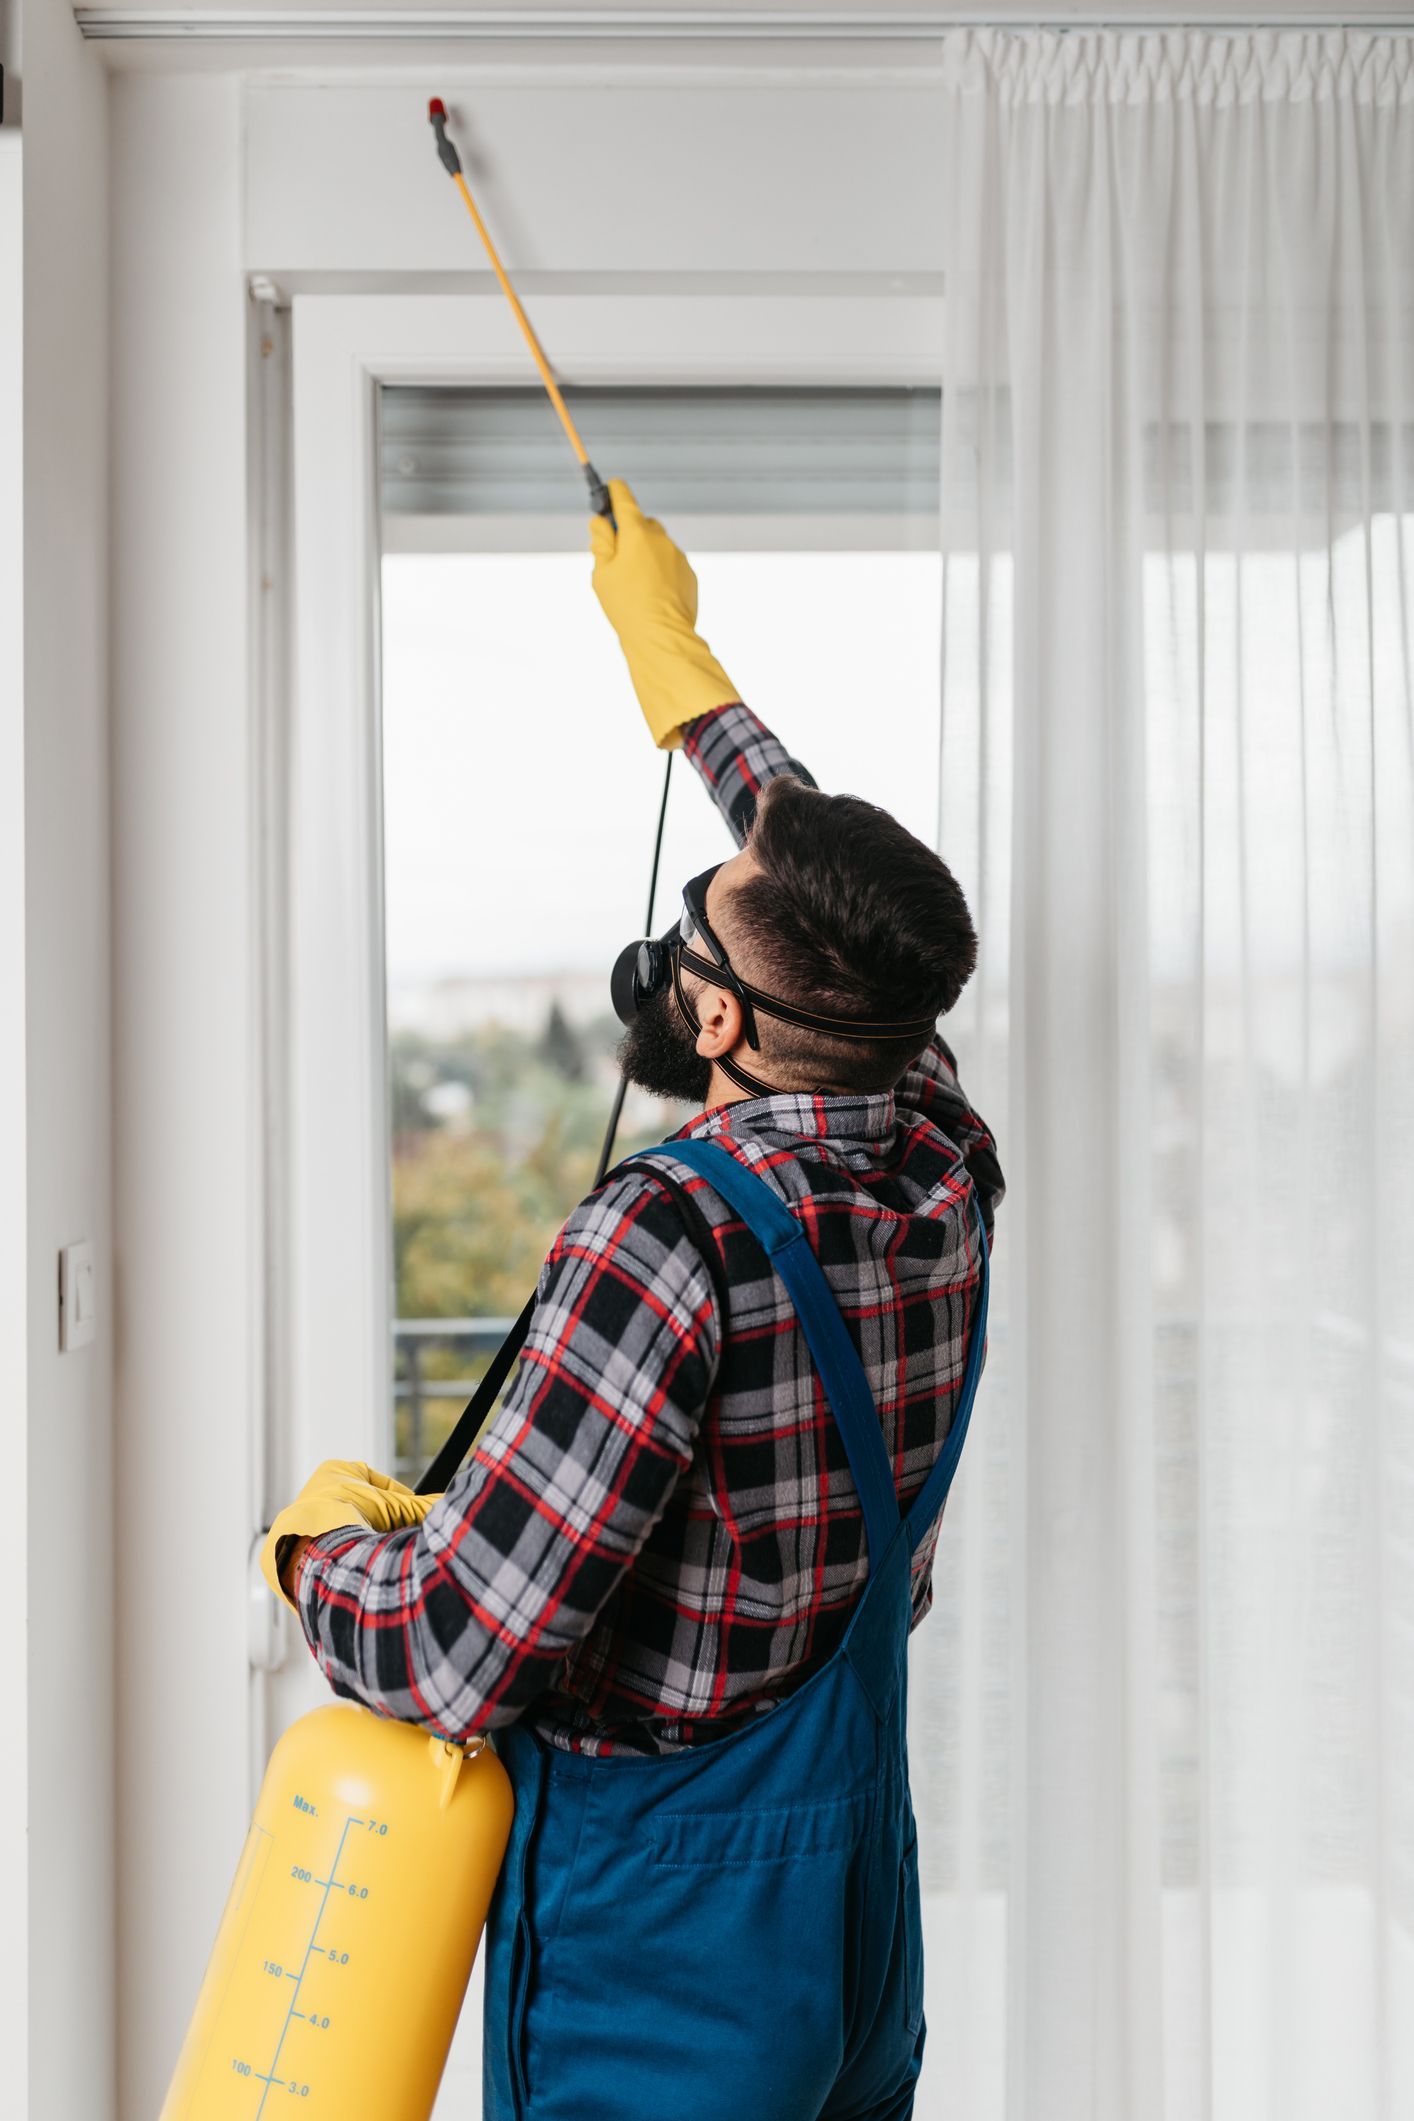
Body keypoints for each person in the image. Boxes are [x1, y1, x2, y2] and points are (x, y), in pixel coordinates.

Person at [262, 480, 1004, 2121]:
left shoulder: (665, 1236)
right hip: (853, 1900)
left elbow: (456, 1652)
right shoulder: (939, 1140)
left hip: (661, 1932)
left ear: (723, 1030)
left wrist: (315, 1556)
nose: (670, 949)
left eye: (694, 937)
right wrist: (683, 673)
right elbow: (819, 892)